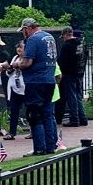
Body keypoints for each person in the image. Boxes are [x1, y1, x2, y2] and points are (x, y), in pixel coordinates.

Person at [16, 16, 60, 154]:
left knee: (34, 115)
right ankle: (51, 146)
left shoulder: (33, 39)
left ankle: (40, 148)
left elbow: (27, 62)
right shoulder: (49, 37)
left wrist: (15, 65)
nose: (24, 33)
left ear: (28, 28)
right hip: (49, 81)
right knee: (47, 114)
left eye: (23, 30)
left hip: (35, 81)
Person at [57, 27, 88, 126]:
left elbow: (61, 62)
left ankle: (74, 119)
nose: (63, 39)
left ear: (66, 35)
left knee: (71, 96)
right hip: (79, 73)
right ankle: (82, 118)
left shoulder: (67, 46)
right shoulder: (80, 43)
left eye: (63, 37)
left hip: (69, 74)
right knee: (78, 95)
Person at [2, 41, 27, 139]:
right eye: (18, 48)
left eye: (21, 48)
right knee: (14, 111)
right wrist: (10, 67)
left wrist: (18, 66)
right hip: (14, 88)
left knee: (29, 110)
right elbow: (9, 73)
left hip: (25, 88)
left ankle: (34, 131)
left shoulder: (27, 59)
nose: (19, 50)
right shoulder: (15, 58)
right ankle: (12, 132)